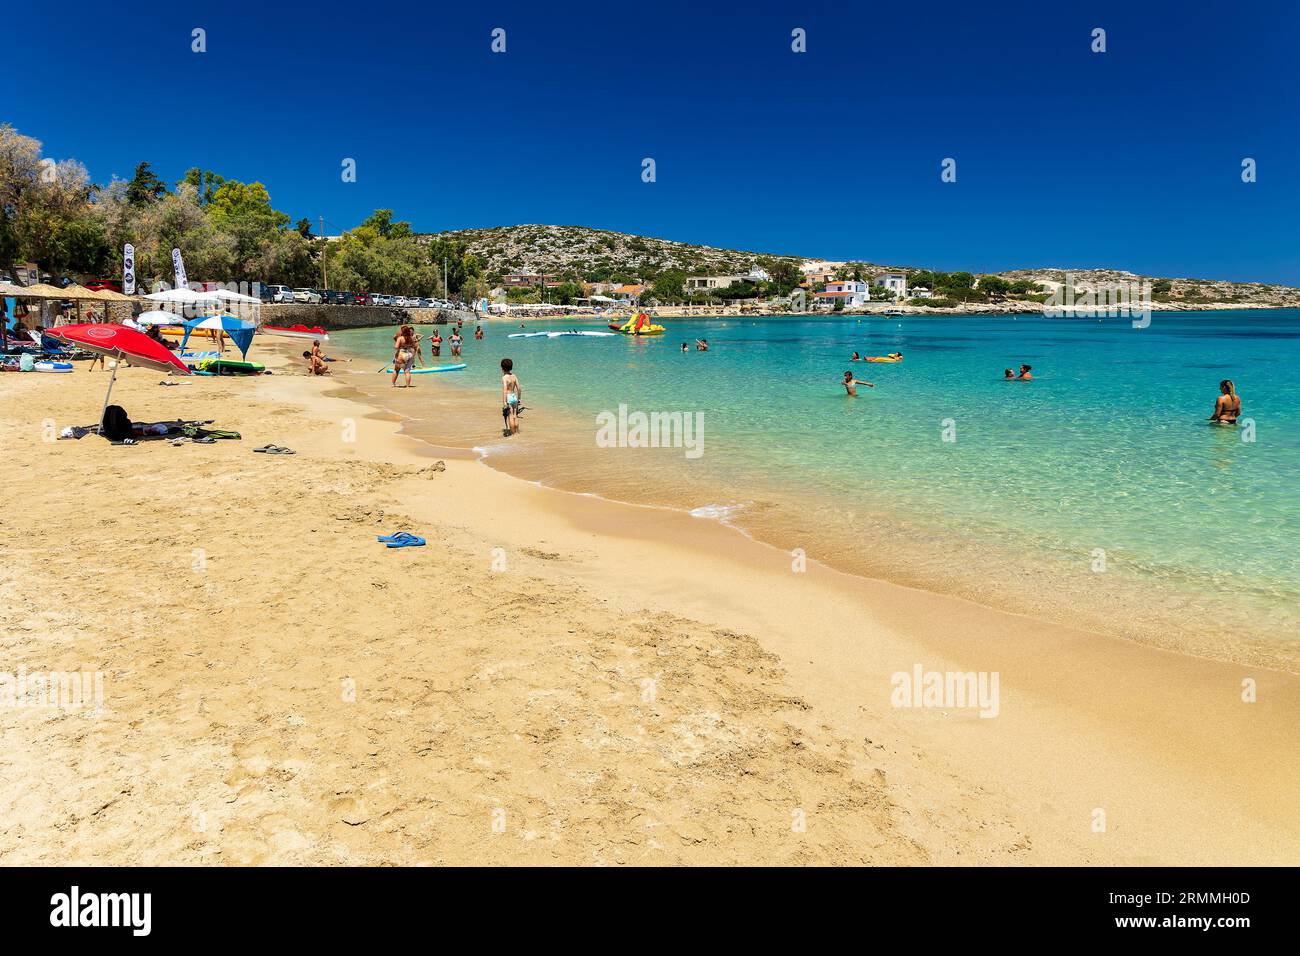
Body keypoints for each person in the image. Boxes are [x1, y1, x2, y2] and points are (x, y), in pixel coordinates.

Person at [501, 358, 522, 436]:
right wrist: (519, 399)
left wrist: (504, 402)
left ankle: (513, 433)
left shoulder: (504, 378)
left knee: (510, 416)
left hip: (508, 397)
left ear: (502, 368)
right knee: (515, 415)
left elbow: (505, 390)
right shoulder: (514, 376)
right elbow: (519, 388)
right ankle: (517, 432)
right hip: (514, 396)